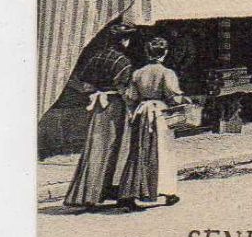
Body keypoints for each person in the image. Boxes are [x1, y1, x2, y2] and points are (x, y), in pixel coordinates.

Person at [63, 22, 136, 210]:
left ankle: (90, 194)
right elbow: (124, 91)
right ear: (124, 40)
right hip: (116, 107)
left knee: (96, 149)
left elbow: (84, 84)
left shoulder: (96, 58)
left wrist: (96, 91)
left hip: (98, 107)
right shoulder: (123, 62)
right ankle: (118, 192)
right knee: (120, 149)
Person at [114, 36, 191, 210]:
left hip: (141, 113)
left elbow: (131, 97)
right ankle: (167, 192)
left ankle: (130, 193)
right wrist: (185, 99)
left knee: (138, 151)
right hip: (158, 114)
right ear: (165, 53)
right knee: (162, 152)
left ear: (147, 53)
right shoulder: (166, 73)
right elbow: (173, 96)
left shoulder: (138, 73)